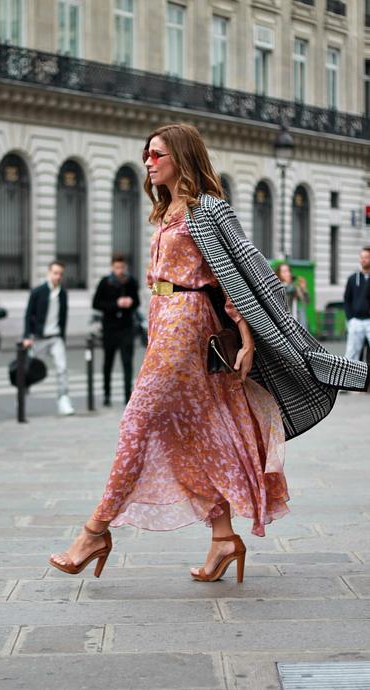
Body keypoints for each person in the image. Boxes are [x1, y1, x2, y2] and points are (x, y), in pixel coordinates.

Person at [49, 123, 369, 584]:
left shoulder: (208, 209)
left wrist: (248, 332)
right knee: (191, 434)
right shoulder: (164, 211)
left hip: (187, 321)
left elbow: (239, 271)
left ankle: (94, 531)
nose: (148, 161)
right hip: (162, 317)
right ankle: (223, 537)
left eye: (157, 154)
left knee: (138, 421)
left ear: (182, 156)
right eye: (146, 154)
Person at [23, 260, 74, 416]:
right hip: (38, 337)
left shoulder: (63, 294)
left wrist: (63, 339)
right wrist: (27, 336)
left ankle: (63, 398)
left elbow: (64, 317)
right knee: (28, 369)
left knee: (62, 368)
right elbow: (28, 315)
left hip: (55, 337)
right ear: (49, 273)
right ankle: (22, 395)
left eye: (60, 274)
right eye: (55, 273)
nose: (58, 276)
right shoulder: (38, 291)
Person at [92, 254, 140, 406]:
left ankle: (128, 395)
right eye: (117, 267)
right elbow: (96, 303)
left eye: (122, 267)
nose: (120, 270)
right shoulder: (105, 282)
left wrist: (131, 302)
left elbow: (137, 301)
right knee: (108, 361)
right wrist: (116, 304)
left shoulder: (131, 281)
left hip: (126, 327)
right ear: (112, 267)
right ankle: (107, 394)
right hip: (110, 328)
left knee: (127, 363)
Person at [344, 247, 370, 361]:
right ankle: (350, 378)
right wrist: (350, 318)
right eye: (362, 257)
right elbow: (347, 299)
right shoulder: (352, 279)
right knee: (351, 354)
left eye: (367, 257)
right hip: (356, 321)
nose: (364, 260)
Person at [275, 263, 310, 329]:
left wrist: (303, 288)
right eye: (284, 272)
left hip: (296, 320)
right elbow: (288, 289)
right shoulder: (278, 287)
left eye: (288, 271)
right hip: (283, 322)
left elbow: (306, 301)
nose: (287, 274)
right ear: (279, 274)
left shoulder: (295, 287)